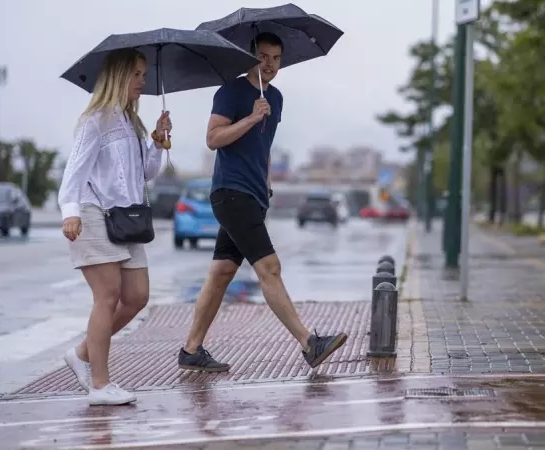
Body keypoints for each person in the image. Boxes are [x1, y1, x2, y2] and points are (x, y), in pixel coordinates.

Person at [178, 32, 347, 373]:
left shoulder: (277, 99)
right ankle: (309, 342)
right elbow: (213, 139)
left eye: (276, 58)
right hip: (230, 192)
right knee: (269, 267)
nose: (269, 63)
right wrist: (252, 117)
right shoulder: (231, 91)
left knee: (222, 272)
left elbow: (263, 145)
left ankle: (191, 350)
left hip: (254, 195)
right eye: (263, 56)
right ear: (250, 57)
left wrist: (267, 183)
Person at [57, 48, 172, 406]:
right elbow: (73, 172)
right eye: (137, 74)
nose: (143, 81)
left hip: (127, 218)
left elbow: (146, 175)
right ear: (119, 76)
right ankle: (100, 385)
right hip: (93, 213)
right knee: (107, 296)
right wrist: (70, 211)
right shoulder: (96, 120)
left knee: (137, 296)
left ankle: (81, 353)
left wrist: (155, 142)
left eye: (143, 74)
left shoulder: (130, 122)